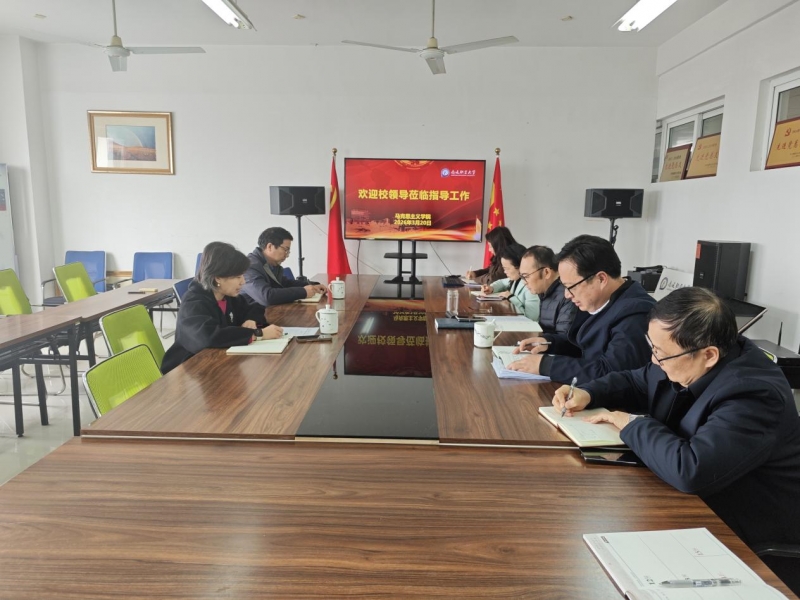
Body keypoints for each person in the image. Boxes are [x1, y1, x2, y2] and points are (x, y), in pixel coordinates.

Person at [552, 286, 800, 594]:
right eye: (652, 347)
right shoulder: (682, 358)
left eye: (661, 353)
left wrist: (633, 423)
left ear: (708, 355)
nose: (654, 360)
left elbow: (691, 469)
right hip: (690, 504)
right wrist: (589, 392)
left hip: (745, 530)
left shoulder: (753, 394)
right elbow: (636, 379)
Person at [510, 234, 654, 383]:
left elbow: (611, 373)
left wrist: (546, 365)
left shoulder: (635, 315)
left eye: (570, 287)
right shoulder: (600, 300)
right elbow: (584, 347)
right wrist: (548, 343)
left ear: (601, 279)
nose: (567, 295)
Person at [161, 242, 283, 374]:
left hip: (219, 364)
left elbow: (254, 308)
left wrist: (250, 320)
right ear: (218, 278)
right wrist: (258, 334)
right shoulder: (193, 303)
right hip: (189, 369)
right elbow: (208, 337)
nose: (243, 281)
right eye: (237, 277)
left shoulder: (227, 296)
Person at [241, 227, 327, 307]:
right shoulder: (249, 267)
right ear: (270, 247)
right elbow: (267, 296)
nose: (287, 255)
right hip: (251, 316)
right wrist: (304, 292)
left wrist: (312, 286)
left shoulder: (271, 264)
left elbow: (285, 284)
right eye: (285, 250)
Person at [515, 245, 575, 335]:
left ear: (546, 272)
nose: (524, 282)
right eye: (522, 277)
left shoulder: (568, 296)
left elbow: (564, 339)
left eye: (526, 276)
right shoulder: (545, 292)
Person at [480, 243, 540, 322]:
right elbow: (502, 282)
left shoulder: (531, 286)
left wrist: (511, 297)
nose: (505, 272)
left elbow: (530, 319)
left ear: (519, 266)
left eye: (507, 268)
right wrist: (491, 288)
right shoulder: (516, 279)